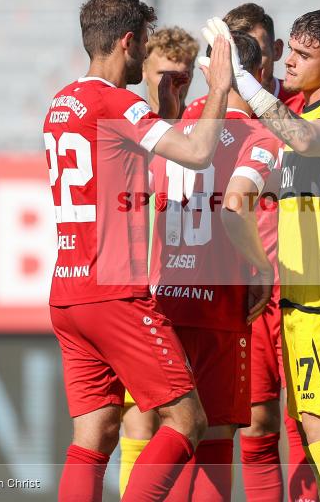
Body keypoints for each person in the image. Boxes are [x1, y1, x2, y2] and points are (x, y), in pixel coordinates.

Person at [43, 0, 234, 502]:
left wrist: (164, 113)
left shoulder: (61, 104)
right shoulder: (116, 101)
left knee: (96, 433)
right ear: (128, 42)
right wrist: (219, 88)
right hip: (115, 293)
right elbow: (195, 152)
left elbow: (125, 163)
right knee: (187, 420)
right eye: (144, 42)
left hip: (67, 294)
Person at [208, 9, 320, 501]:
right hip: (301, 296)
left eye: (305, 55)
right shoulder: (299, 115)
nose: (291, 63)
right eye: (291, 51)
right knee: (307, 436)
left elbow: (303, 138)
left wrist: (245, 83)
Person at [186, 2, 314, 502]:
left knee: (308, 423)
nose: (249, 62)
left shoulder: (303, 112)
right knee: (255, 424)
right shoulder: (205, 117)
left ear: (273, 52)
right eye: (237, 51)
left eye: (256, 51)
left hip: (302, 283)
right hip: (245, 291)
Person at [147, 30, 280, 501]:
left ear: (208, 71)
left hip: (166, 300)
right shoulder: (260, 135)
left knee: (174, 428)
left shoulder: (171, 128)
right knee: (217, 434)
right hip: (219, 307)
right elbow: (233, 206)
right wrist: (261, 267)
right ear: (260, 73)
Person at [117, 25, 200, 498]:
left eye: (183, 79)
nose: (173, 87)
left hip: (187, 292)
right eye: (165, 76)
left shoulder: (195, 132)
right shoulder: (130, 126)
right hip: (137, 296)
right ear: (142, 70)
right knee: (137, 420)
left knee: (188, 423)